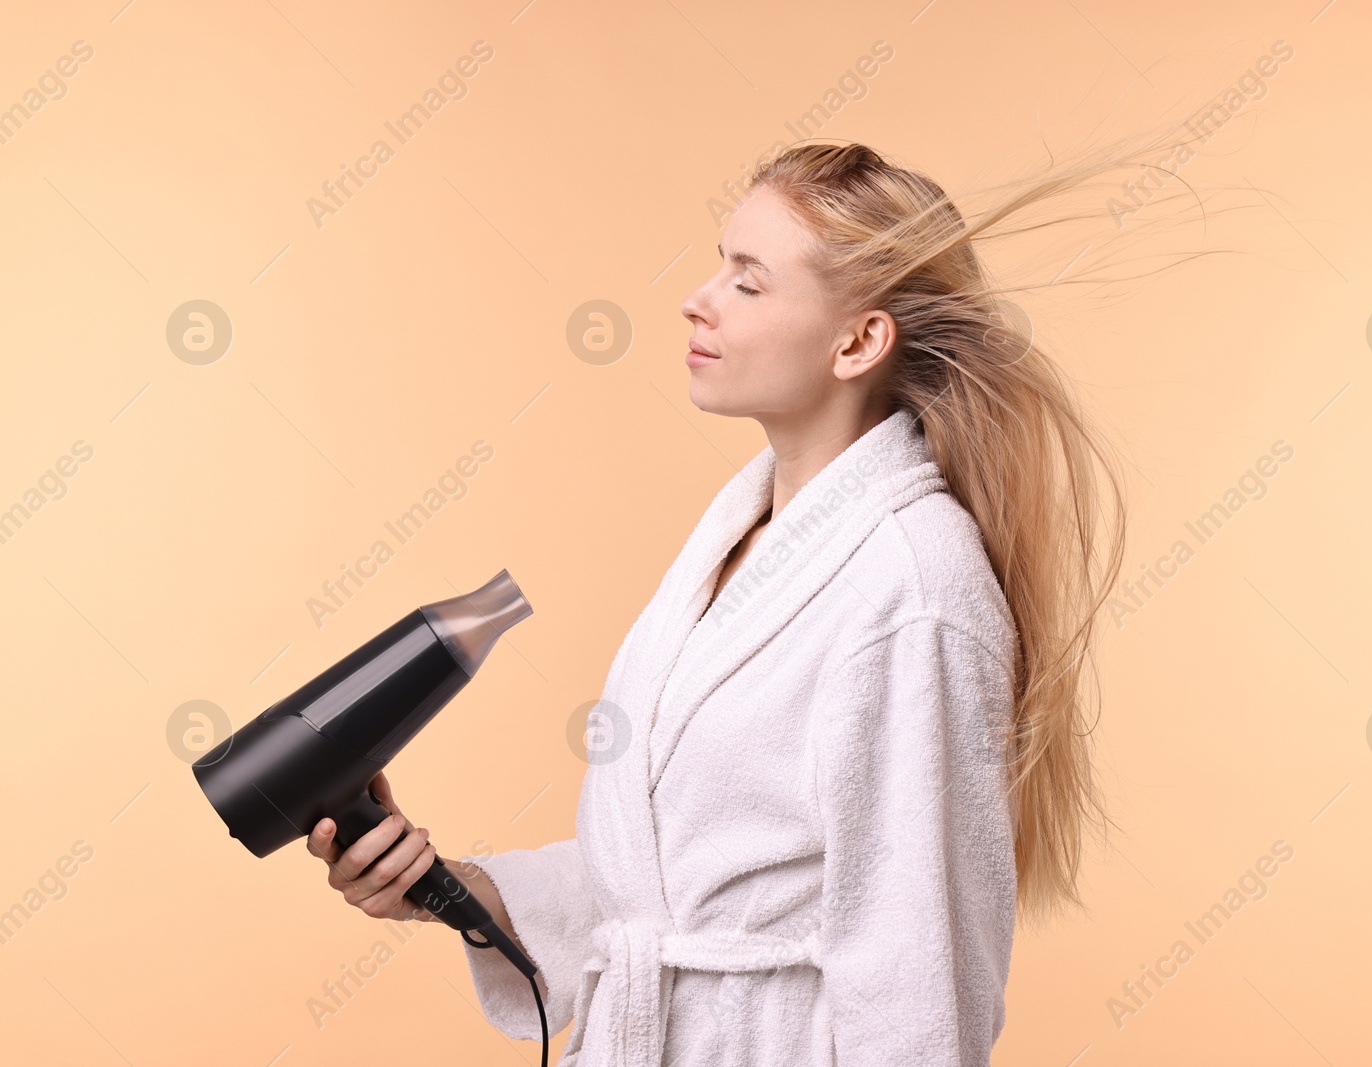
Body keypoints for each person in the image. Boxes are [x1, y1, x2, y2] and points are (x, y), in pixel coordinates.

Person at [308, 140, 1159, 1065]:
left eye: (749, 283)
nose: (698, 298)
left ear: (859, 341)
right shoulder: (741, 539)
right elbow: (668, 878)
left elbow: (922, 974)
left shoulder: (913, 590)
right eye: (720, 264)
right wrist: (455, 887)